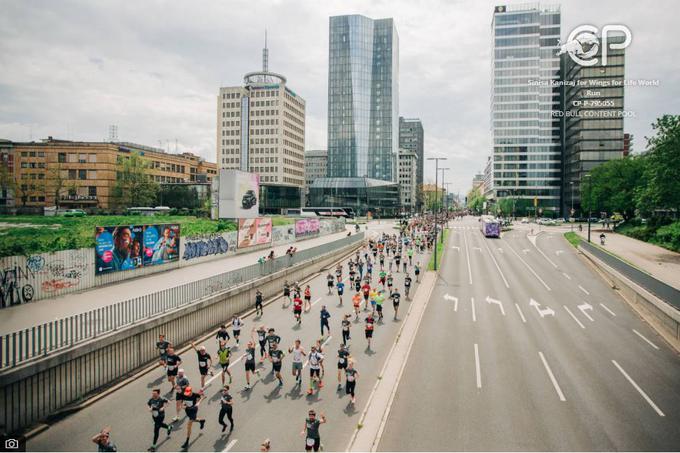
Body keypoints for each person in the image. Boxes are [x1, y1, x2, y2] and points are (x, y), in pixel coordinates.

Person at [180, 386, 206, 451]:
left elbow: (199, 400)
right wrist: (183, 406)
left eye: (188, 393)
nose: (187, 394)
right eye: (186, 393)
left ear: (191, 391)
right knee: (194, 420)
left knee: (189, 425)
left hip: (193, 410)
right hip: (187, 410)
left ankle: (187, 441)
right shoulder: (184, 395)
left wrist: (202, 397)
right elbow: (182, 403)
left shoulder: (195, 395)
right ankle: (201, 421)